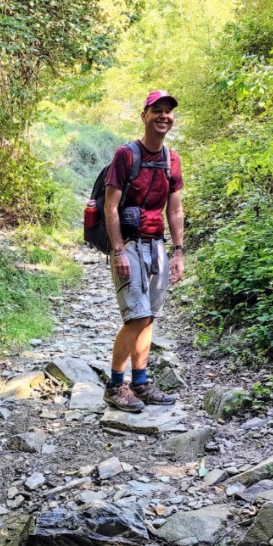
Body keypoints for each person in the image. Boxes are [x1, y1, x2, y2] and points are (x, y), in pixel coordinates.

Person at [102, 90, 185, 413]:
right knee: (135, 316)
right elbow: (111, 207)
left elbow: (175, 210)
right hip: (130, 245)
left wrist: (178, 253)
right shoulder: (126, 155)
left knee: (148, 317)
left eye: (168, 112)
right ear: (144, 116)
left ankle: (140, 382)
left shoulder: (172, 160)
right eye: (157, 111)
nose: (164, 116)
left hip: (157, 245)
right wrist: (118, 250)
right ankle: (115, 385)